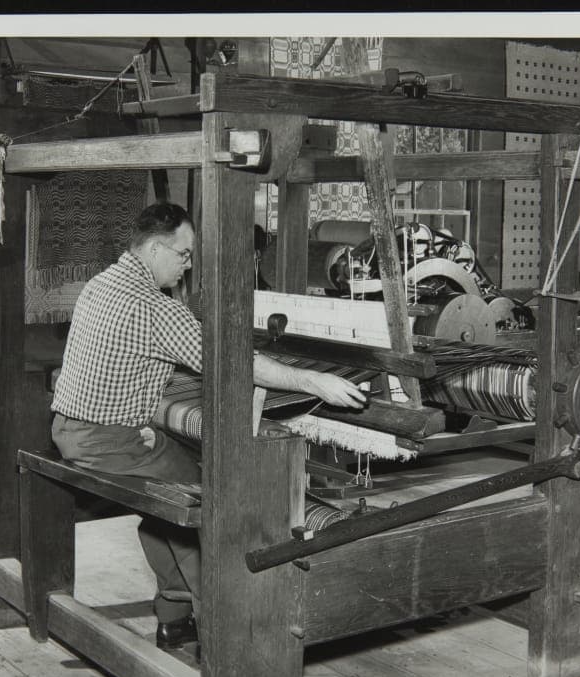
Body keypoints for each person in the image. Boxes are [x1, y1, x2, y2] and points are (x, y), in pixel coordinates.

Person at [51, 202, 365, 654]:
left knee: (172, 481)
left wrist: (134, 420)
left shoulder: (101, 285)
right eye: (183, 254)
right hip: (106, 441)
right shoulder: (156, 309)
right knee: (212, 498)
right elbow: (236, 364)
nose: (189, 264)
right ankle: (227, 631)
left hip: (70, 429)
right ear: (156, 249)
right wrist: (312, 380)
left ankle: (174, 620)